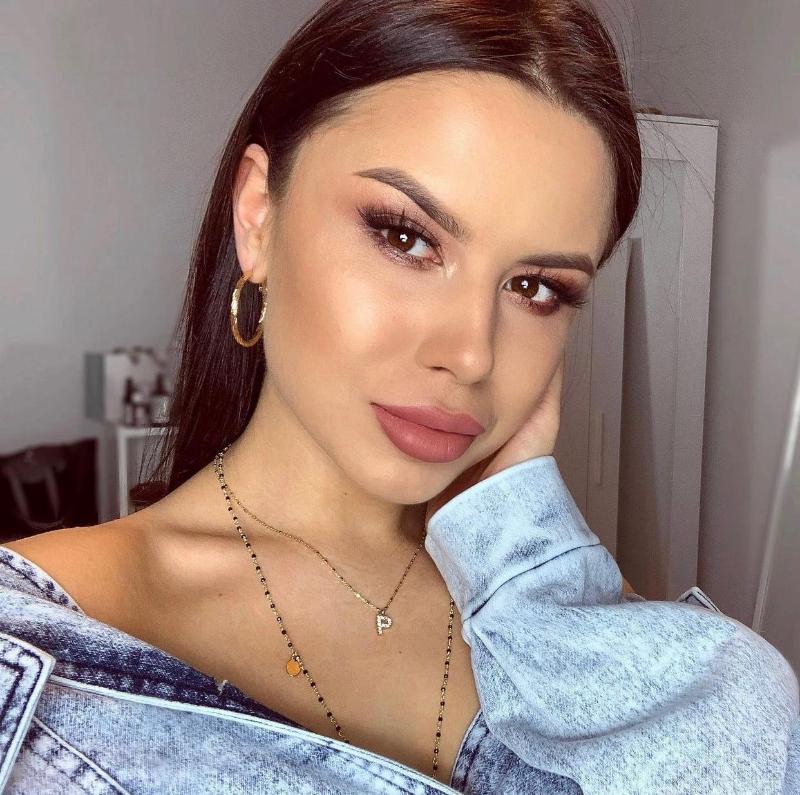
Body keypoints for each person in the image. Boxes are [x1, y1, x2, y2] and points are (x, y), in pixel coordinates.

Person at [1, 0, 798, 792]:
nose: (471, 353)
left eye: (536, 287)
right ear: (258, 215)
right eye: (405, 237)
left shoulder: (580, 635)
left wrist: (523, 550)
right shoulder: (39, 649)